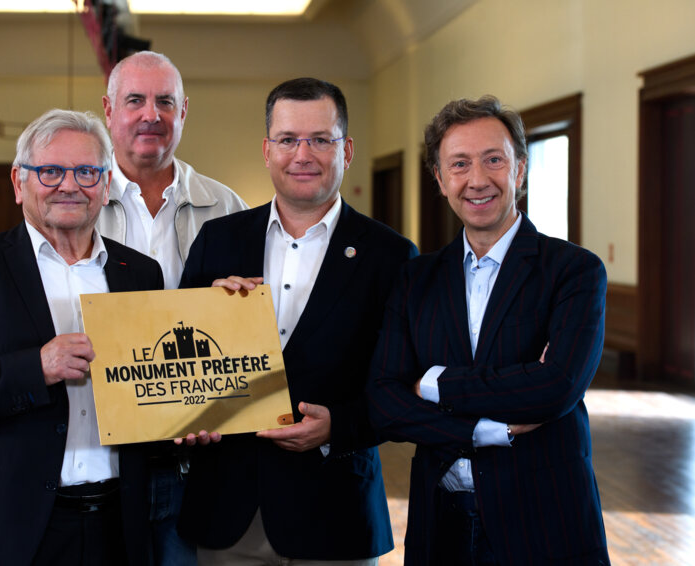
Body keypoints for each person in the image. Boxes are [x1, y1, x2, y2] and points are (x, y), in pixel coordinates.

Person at [0, 109, 164, 566]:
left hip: (119, 527)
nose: (68, 185)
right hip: (9, 527)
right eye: (50, 171)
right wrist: (33, 369)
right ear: (20, 182)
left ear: (105, 186)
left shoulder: (140, 272)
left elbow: (154, 390)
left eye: (86, 171)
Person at [177, 77, 418, 565]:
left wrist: (339, 428)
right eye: (288, 139)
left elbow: (407, 383)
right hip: (228, 512)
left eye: (320, 139)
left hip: (337, 514)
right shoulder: (217, 241)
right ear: (267, 150)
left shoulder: (391, 256)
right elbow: (182, 365)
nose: (302, 154)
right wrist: (208, 313)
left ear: (346, 150)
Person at [367, 95, 610, 565]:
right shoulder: (416, 278)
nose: (477, 180)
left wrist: (432, 383)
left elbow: (554, 387)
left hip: (546, 522)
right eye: (459, 164)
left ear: (519, 168)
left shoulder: (574, 271)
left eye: (493, 160)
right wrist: (483, 429)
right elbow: (383, 403)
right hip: (442, 524)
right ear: (439, 180)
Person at [96, 50, 248, 565]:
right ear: (109, 110)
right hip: (104, 463)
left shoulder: (227, 207)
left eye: (165, 101)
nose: (150, 114)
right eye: (135, 100)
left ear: (184, 111)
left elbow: (251, 332)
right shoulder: (77, 203)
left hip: (200, 459)